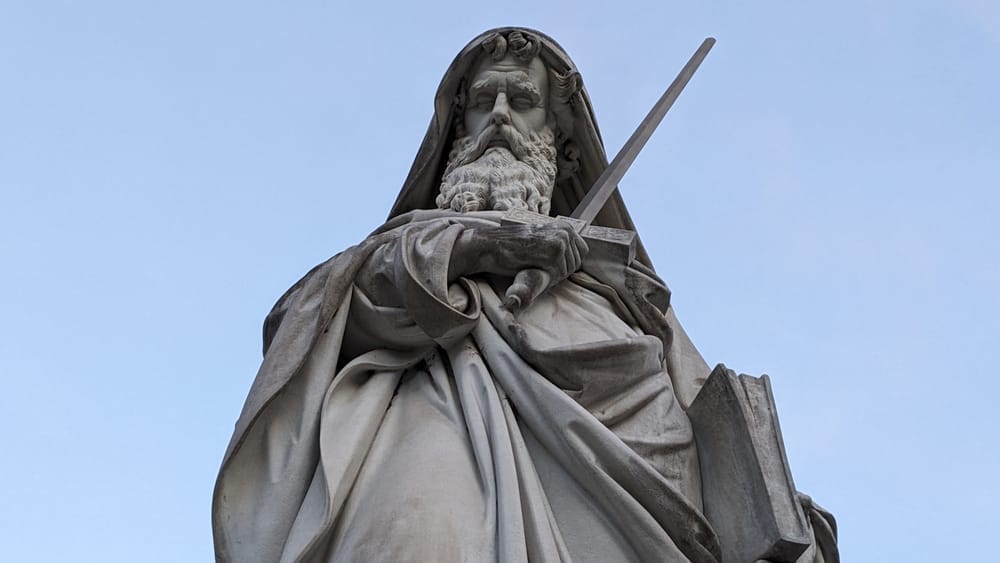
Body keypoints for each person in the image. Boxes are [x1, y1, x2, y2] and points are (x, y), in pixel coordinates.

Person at [213, 28, 833, 562]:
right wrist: (482, 248)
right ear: (457, 130)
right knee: (409, 534)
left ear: (562, 142)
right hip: (441, 413)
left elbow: (703, 402)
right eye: (484, 100)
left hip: (635, 474)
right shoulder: (406, 243)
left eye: (524, 100)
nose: (501, 117)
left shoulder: (624, 281)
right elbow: (303, 320)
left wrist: (778, 502)